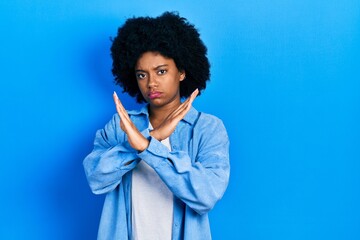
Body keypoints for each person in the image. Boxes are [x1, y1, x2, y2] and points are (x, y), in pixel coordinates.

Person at [83, 12, 230, 240]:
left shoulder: (207, 129)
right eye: (142, 75)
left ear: (181, 72)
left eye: (161, 71)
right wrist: (151, 138)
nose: (151, 83)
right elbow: (96, 178)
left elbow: (206, 195)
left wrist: (147, 147)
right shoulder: (122, 124)